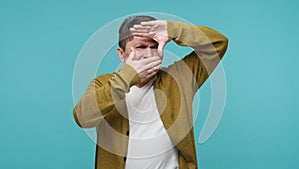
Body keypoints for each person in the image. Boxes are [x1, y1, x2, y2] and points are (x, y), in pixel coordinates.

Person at [73, 15, 228, 169]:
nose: (149, 54)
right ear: (122, 54)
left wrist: (173, 30)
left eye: (154, 46)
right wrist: (127, 77)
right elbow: (82, 117)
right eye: (140, 47)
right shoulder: (104, 84)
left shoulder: (179, 78)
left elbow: (218, 44)